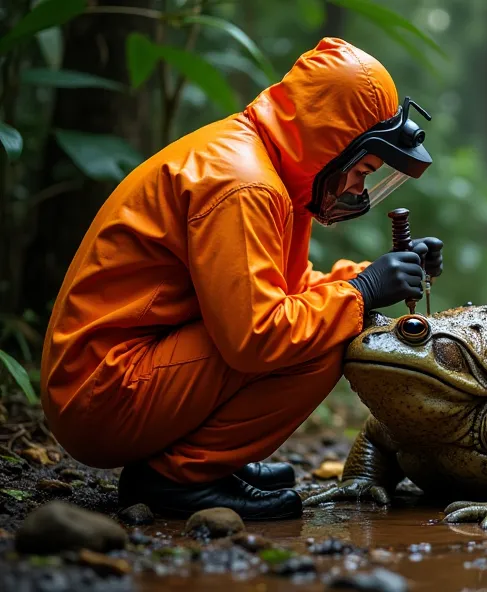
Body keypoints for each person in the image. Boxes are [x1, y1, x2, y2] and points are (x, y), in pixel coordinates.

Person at [39, 38, 443, 521]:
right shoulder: (245, 185)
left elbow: (283, 290)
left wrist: (375, 275)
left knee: (333, 314)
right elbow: (257, 336)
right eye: (362, 172)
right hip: (102, 395)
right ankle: (178, 477)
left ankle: (207, 463)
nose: (357, 189)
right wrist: (363, 291)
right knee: (330, 335)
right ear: (334, 141)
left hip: (111, 377)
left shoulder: (266, 170)